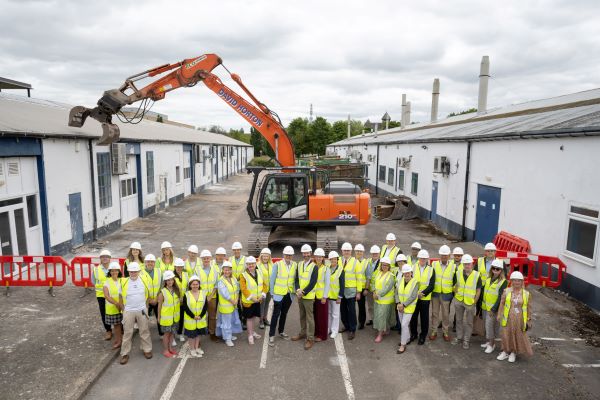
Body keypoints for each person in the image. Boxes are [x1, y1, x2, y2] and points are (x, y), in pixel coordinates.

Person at [119, 262, 152, 365]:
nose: (133, 273)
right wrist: (124, 310)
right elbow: (120, 297)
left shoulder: (144, 280)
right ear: (128, 272)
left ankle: (147, 349)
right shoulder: (123, 282)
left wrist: (146, 307)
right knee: (127, 333)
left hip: (142, 309)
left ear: (139, 271)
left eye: (135, 271)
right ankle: (124, 353)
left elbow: (148, 295)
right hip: (128, 310)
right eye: (131, 271)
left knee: (144, 330)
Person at [497, 271, 533, 363]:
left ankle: (513, 352)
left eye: (519, 281)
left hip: (519, 319)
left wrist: (529, 319)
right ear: (511, 281)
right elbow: (502, 303)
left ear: (522, 282)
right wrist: (499, 314)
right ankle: (505, 351)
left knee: (516, 335)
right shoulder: (507, 291)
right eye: (514, 280)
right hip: (507, 318)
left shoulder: (526, 294)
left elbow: (529, 308)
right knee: (506, 334)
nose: (516, 282)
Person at [452, 254, 482, 349]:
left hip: (470, 302)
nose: (466, 266)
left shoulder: (477, 275)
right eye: (465, 264)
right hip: (459, 300)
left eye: (468, 264)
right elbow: (455, 285)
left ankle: (466, 340)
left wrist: (475, 301)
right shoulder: (458, 273)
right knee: (459, 320)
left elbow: (478, 290)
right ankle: (459, 337)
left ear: (472, 264)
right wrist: (456, 295)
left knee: (469, 322)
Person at [292, 245, 318, 350]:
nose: (306, 255)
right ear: (302, 254)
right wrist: (298, 290)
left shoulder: (314, 266)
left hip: (308, 296)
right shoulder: (299, 264)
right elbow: (297, 279)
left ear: (310, 253)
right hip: (300, 295)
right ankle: (303, 333)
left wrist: (303, 292)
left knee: (309, 318)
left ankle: (310, 338)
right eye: (304, 253)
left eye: (308, 253)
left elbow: (313, 282)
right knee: (302, 315)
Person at [268, 246, 296, 346]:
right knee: (276, 314)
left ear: (292, 256)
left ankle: (281, 331)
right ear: (283, 255)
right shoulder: (277, 265)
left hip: (289, 294)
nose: (288, 256)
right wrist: (272, 293)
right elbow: (272, 279)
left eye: (290, 255)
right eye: (287, 255)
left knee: (284, 314)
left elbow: (295, 279)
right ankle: (271, 335)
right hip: (278, 294)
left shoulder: (294, 265)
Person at [430, 245, 456, 342]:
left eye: (446, 255)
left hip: (446, 294)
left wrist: (453, 294)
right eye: (442, 255)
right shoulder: (434, 264)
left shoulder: (453, 266)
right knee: (434, 313)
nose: (444, 257)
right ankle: (434, 331)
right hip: (436, 293)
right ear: (440, 255)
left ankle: (445, 331)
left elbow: (455, 281)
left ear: (449, 256)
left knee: (445, 314)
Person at [409, 249, 435, 345]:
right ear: (418, 258)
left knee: (424, 318)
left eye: (424, 258)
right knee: (413, 317)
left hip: (425, 298)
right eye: (421, 258)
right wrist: (416, 294)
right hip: (414, 297)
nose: (422, 260)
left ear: (427, 259)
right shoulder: (413, 267)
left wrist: (422, 293)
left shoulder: (431, 269)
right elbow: (410, 282)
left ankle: (423, 335)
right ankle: (413, 334)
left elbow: (431, 285)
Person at [481, 259, 507, 354]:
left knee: (490, 327)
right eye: (494, 269)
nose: (495, 271)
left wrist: (493, 309)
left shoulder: (503, 282)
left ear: (501, 270)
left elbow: (500, 297)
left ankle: (491, 344)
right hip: (485, 307)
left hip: (493, 309)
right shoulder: (488, 279)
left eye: (498, 269)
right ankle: (488, 342)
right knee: (487, 326)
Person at [240, 256, 267, 344]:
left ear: (255, 264)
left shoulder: (259, 272)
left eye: (252, 264)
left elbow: (264, 285)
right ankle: (250, 335)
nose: (251, 265)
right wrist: (253, 298)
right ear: (246, 265)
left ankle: (252, 332)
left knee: (254, 316)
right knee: (249, 318)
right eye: (249, 264)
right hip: (249, 302)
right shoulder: (243, 275)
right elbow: (244, 289)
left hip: (258, 300)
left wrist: (262, 295)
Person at [195, 249, 220, 342]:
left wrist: (210, 296)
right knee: (200, 316)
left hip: (212, 297)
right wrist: (203, 296)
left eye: (207, 258)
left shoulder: (215, 269)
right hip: (200, 297)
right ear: (201, 259)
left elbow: (216, 284)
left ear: (210, 258)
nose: (206, 260)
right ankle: (199, 336)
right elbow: (195, 284)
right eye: (204, 258)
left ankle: (212, 333)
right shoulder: (197, 270)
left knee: (212, 316)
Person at [216, 261, 242, 347]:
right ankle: (227, 339)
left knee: (230, 321)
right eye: (225, 270)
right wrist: (233, 301)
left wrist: (237, 299)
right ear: (222, 270)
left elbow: (237, 289)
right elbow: (224, 293)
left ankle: (229, 335)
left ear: (231, 270)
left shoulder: (233, 278)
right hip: (226, 306)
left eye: (229, 270)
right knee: (226, 323)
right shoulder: (221, 281)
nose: (227, 272)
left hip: (233, 305)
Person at [340, 242, 362, 340]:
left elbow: (359, 278)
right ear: (342, 251)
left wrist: (358, 292)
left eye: (348, 250)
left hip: (351, 291)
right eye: (345, 250)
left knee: (352, 311)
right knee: (343, 310)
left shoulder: (355, 262)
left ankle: (352, 329)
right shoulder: (339, 260)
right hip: (341, 290)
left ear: (351, 251)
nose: (346, 252)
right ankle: (346, 325)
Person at [182, 275, 208, 358]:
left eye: (197, 284)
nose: (195, 286)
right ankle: (192, 349)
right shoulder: (186, 294)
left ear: (199, 285)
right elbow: (185, 307)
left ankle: (197, 348)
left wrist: (201, 315)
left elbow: (205, 306)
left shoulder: (203, 293)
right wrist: (193, 316)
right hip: (191, 319)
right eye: (193, 284)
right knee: (191, 336)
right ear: (190, 285)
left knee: (198, 334)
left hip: (200, 318)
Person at [396, 264, 419, 354]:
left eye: (408, 272)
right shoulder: (400, 281)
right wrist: (398, 303)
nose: (406, 274)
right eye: (405, 273)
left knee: (404, 325)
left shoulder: (415, 282)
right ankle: (407, 338)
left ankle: (403, 345)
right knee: (403, 324)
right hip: (400, 307)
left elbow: (413, 296)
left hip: (409, 308)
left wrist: (403, 305)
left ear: (411, 273)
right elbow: (396, 293)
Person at [157, 270, 181, 358]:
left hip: (175, 317)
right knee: (166, 334)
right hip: (166, 318)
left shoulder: (177, 290)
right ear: (165, 281)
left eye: (171, 280)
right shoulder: (162, 292)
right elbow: (159, 306)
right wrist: (158, 317)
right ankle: (166, 350)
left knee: (172, 334)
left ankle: (170, 348)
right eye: (168, 280)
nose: (170, 282)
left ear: (174, 280)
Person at [372, 257, 396, 343]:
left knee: (382, 317)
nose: (384, 266)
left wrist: (377, 294)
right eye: (383, 265)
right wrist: (374, 291)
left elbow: (387, 288)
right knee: (380, 316)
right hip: (377, 299)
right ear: (381, 265)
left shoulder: (391, 276)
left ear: (389, 266)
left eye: (386, 265)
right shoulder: (378, 273)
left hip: (386, 300)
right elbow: (374, 282)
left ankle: (380, 334)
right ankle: (386, 330)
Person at [92, 249, 113, 340]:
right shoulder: (96, 269)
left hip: (113, 295)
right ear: (100, 259)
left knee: (116, 311)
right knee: (104, 313)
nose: (105, 259)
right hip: (101, 295)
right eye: (103, 257)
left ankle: (120, 329)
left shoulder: (114, 268)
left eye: (106, 257)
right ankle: (108, 330)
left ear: (110, 259)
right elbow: (93, 281)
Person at [141, 254, 162, 337]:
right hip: (146, 300)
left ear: (154, 263)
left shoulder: (159, 271)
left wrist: (156, 298)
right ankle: (145, 335)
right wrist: (149, 299)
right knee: (144, 318)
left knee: (159, 317)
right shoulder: (141, 273)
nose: (150, 263)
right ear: (145, 262)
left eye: (152, 262)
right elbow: (141, 288)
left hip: (157, 299)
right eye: (148, 262)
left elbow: (161, 285)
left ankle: (162, 334)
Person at [103, 261, 123, 349]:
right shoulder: (107, 282)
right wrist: (116, 303)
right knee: (117, 326)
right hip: (113, 308)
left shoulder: (122, 280)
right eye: (112, 271)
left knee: (123, 325)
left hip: (122, 307)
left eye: (116, 270)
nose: (114, 272)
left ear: (119, 271)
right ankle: (119, 341)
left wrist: (121, 304)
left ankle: (120, 340)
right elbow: (106, 296)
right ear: (109, 272)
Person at [313, 249, 330, 342]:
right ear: (315, 257)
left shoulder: (326, 269)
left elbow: (327, 283)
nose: (319, 258)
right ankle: (316, 331)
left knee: (322, 317)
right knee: (315, 315)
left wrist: (325, 296)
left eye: (320, 257)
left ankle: (322, 335)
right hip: (313, 296)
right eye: (317, 257)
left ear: (323, 258)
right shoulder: (313, 267)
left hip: (321, 297)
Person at [327, 251, 344, 339]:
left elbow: (342, 284)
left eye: (335, 259)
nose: (333, 260)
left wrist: (340, 296)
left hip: (336, 296)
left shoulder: (340, 269)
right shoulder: (327, 268)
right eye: (332, 259)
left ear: (337, 260)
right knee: (329, 313)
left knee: (335, 314)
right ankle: (328, 328)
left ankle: (334, 331)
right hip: (328, 295)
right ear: (329, 260)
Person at [230, 242, 246, 329]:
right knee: (236, 304)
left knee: (244, 303)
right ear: (233, 250)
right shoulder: (230, 259)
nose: (236, 251)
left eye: (238, 250)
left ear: (240, 250)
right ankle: (239, 319)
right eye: (235, 250)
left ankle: (244, 321)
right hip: (233, 285)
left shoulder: (245, 259)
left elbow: (247, 272)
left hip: (243, 285)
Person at [364, 245, 380, 327]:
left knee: (377, 306)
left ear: (379, 254)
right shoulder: (368, 262)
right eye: (373, 253)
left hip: (378, 289)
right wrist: (366, 288)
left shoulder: (381, 263)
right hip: (370, 288)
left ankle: (377, 320)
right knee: (370, 305)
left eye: (376, 253)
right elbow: (367, 276)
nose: (374, 255)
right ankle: (371, 319)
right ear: (371, 254)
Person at [173, 258, 188, 343]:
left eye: (181, 267)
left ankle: (179, 333)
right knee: (174, 318)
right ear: (175, 267)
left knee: (181, 317)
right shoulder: (172, 275)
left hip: (183, 300)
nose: (179, 268)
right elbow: (172, 287)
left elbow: (187, 286)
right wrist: (179, 297)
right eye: (178, 267)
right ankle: (173, 336)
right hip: (175, 300)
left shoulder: (185, 274)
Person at [257, 248, 273, 329]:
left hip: (269, 289)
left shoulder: (271, 264)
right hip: (262, 290)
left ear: (269, 257)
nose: (266, 258)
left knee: (267, 304)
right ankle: (261, 321)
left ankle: (265, 318)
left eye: (267, 256)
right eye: (264, 256)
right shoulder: (258, 265)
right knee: (262, 305)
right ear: (261, 256)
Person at [354, 244, 368, 330]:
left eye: (360, 251)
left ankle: (361, 322)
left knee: (361, 307)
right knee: (351, 307)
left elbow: (368, 277)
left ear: (363, 252)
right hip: (352, 287)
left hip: (362, 288)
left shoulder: (366, 262)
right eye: (357, 251)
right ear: (355, 252)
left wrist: (366, 288)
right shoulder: (352, 261)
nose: (359, 252)